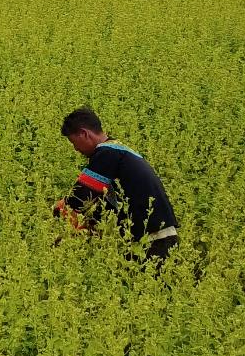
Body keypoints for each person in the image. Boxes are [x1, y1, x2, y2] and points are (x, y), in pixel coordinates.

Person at [53, 107, 179, 260]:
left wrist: (59, 209)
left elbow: (80, 197)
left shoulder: (108, 152)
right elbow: (104, 205)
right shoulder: (120, 152)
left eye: (74, 142)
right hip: (155, 236)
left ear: (84, 133)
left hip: (154, 239)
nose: (76, 149)